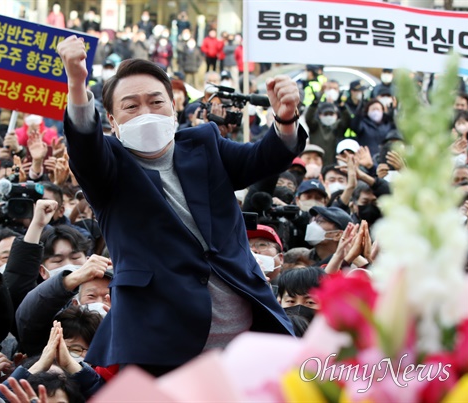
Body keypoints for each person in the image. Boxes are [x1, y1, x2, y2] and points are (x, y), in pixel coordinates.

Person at [57, 36, 307, 374]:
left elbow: (262, 159)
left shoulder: (204, 143)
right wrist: (76, 83)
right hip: (163, 344)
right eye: (131, 106)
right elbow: (84, 145)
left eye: (156, 101)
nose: (146, 112)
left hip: (246, 332)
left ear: (173, 108)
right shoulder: (108, 167)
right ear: (113, 123)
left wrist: (286, 120)